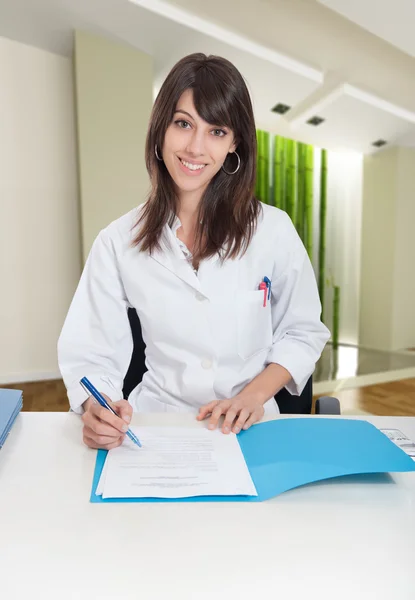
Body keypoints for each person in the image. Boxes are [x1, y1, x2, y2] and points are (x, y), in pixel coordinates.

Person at [58, 53, 330, 450]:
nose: (195, 147)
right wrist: (96, 409)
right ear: (161, 129)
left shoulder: (273, 230)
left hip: (252, 428)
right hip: (156, 428)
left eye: (217, 131)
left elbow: (303, 330)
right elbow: (90, 351)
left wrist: (253, 396)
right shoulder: (117, 242)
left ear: (235, 142)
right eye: (183, 124)